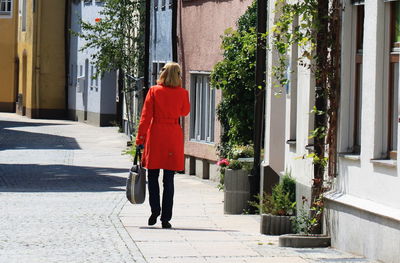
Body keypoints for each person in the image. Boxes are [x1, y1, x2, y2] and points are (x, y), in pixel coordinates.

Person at [135, 62, 190, 229]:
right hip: (173, 134)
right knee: (169, 179)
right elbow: (185, 112)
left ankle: (155, 209)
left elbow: (145, 117)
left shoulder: (154, 91)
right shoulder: (182, 93)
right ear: (178, 75)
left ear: (163, 74)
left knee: (152, 176)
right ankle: (166, 218)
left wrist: (140, 140)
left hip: (156, 133)